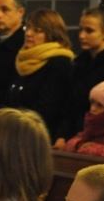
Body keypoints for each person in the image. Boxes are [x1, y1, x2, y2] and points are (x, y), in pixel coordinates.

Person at [55, 0, 104, 148]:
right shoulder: (81, 63)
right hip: (79, 134)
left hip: (103, 139)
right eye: (81, 29)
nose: (82, 35)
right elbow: (71, 105)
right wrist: (62, 135)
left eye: (89, 31)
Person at [5, 8, 74, 141]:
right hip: (16, 132)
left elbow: (48, 108)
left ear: (52, 33)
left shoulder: (59, 63)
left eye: (37, 30)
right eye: (28, 28)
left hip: (39, 136)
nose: (29, 34)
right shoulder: (23, 59)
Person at [63, 79, 104, 158]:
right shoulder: (91, 125)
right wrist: (79, 144)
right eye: (92, 103)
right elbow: (71, 143)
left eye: (100, 105)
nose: (93, 109)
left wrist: (87, 148)